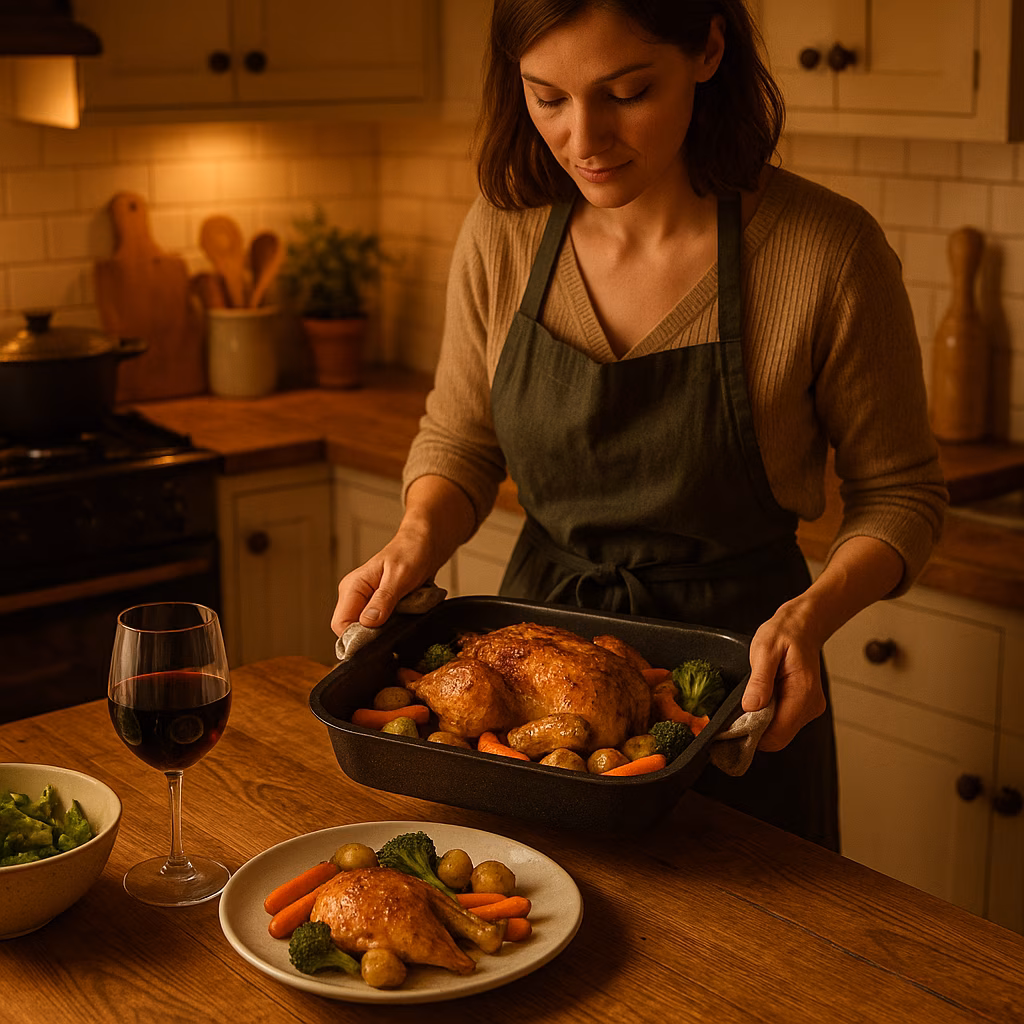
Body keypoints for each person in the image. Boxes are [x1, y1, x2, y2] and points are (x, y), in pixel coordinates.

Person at [331, 0, 948, 850]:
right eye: (547, 98)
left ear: (707, 51)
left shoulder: (826, 252)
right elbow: (463, 440)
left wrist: (811, 616)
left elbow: (902, 495)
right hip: (527, 676)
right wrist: (413, 541)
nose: (584, 138)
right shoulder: (504, 231)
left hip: (737, 686)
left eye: (625, 92)